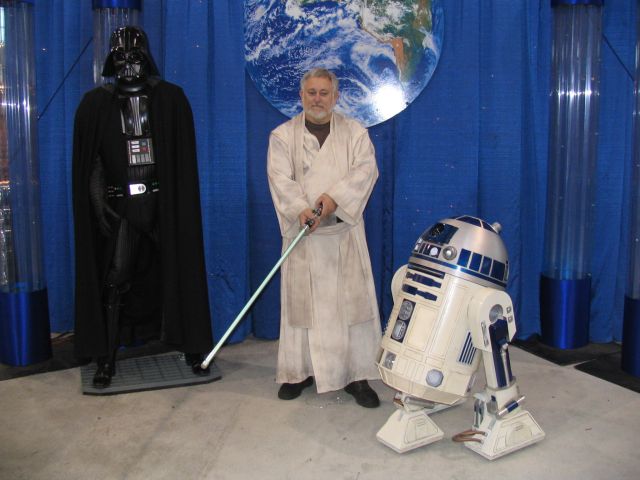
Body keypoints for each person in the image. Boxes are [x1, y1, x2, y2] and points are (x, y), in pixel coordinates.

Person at [72, 26, 213, 388]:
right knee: (115, 278)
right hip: (122, 206)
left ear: (146, 58)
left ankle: (192, 347)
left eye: (135, 57)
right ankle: (105, 357)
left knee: (180, 270)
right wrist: (97, 199)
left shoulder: (170, 99)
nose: (129, 65)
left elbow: (181, 161)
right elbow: (93, 161)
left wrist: (175, 207)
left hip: (163, 203)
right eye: (121, 57)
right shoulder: (95, 104)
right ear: (111, 60)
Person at [267, 68, 382, 408]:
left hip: (343, 233)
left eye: (324, 93)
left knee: (351, 308)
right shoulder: (282, 136)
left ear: (335, 97)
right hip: (304, 236)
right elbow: (279, 178)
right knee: (302, 309)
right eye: (311, 93)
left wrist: (334, 199)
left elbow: (366, 171)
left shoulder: (355, 133)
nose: (317, 99)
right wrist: (300, 208)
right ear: (301, 96)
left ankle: (356, 375)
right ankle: (298, 371)